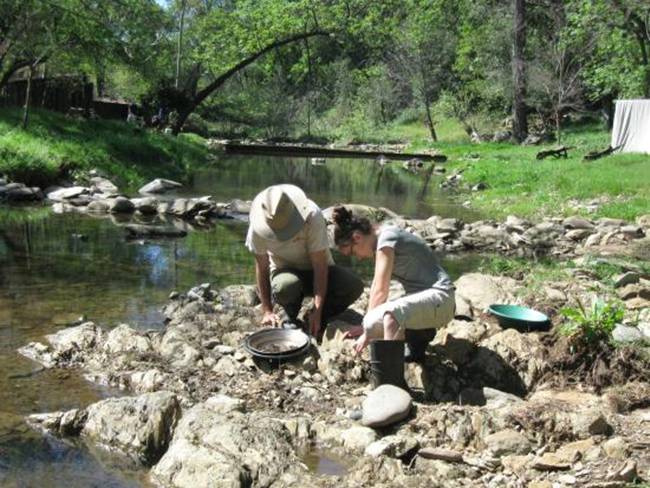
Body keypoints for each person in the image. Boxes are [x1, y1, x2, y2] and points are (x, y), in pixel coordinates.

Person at [331, 206, 455, 363]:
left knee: (387, 316)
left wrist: (366, 331)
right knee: (381, 318)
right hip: (432, 302)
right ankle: (419, 339)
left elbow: (380, 291)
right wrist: (366, 326)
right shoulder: (381, 243)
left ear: (357, 238)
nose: (359, 258)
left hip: (441, 296)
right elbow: (377, 285)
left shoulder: (386, 238)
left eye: (353, 253)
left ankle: (390, 375)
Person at [246, 185, 364, 337]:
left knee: (353, 286)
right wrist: (267, 310)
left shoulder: (312, 215)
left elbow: (320, 266)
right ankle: (290, 314)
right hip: (285, 271)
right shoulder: (257, 227)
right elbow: (262, 267)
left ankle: (315, 316)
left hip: (319, 270)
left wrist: (318, 310)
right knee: (286, 286)